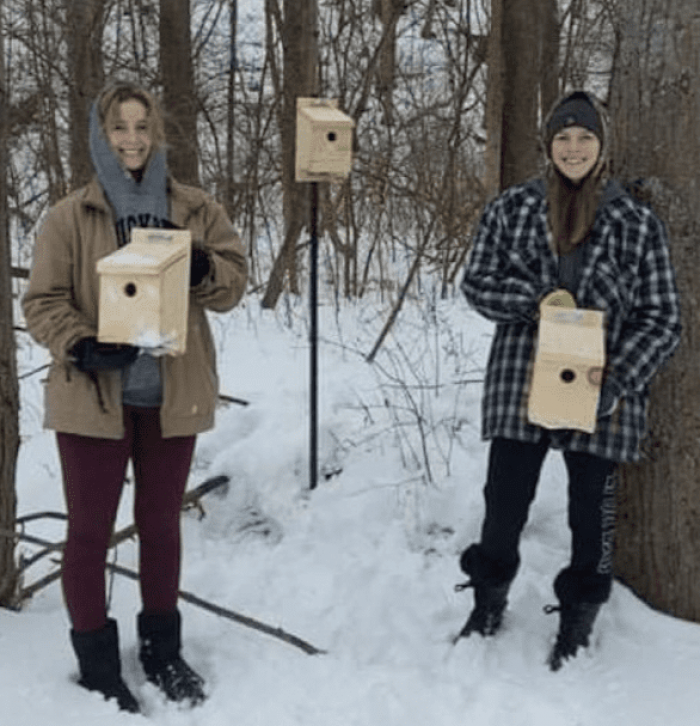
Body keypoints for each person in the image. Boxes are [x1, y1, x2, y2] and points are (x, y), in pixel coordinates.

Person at [23, 81, 248, 711]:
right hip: (93, 395)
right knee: (90, 533)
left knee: (160, 529)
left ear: (157, 133)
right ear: (100, 135)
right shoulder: (71, 216)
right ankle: (97, 666)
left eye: (141, 126)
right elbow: (42, 302)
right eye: (119, 127)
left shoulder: (194, 207)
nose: (131, 139)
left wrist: (203, 268)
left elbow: (232, 282)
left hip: (169, 395)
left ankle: (162, 651)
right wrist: (82, 344)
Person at [456, 91, 681, 670]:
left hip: (603, 389)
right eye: (563, 138)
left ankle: (579, 617)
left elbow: (663, 318)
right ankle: (487, 601)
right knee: (503, 503)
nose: (573, 148)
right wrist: (533, 301)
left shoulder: (636, 222)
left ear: (601, 146)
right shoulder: (511, 208)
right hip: (521, 378)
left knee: (591, 511)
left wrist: (616, 379)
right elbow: (477, 282)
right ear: (548, 146)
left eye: (584, 138)